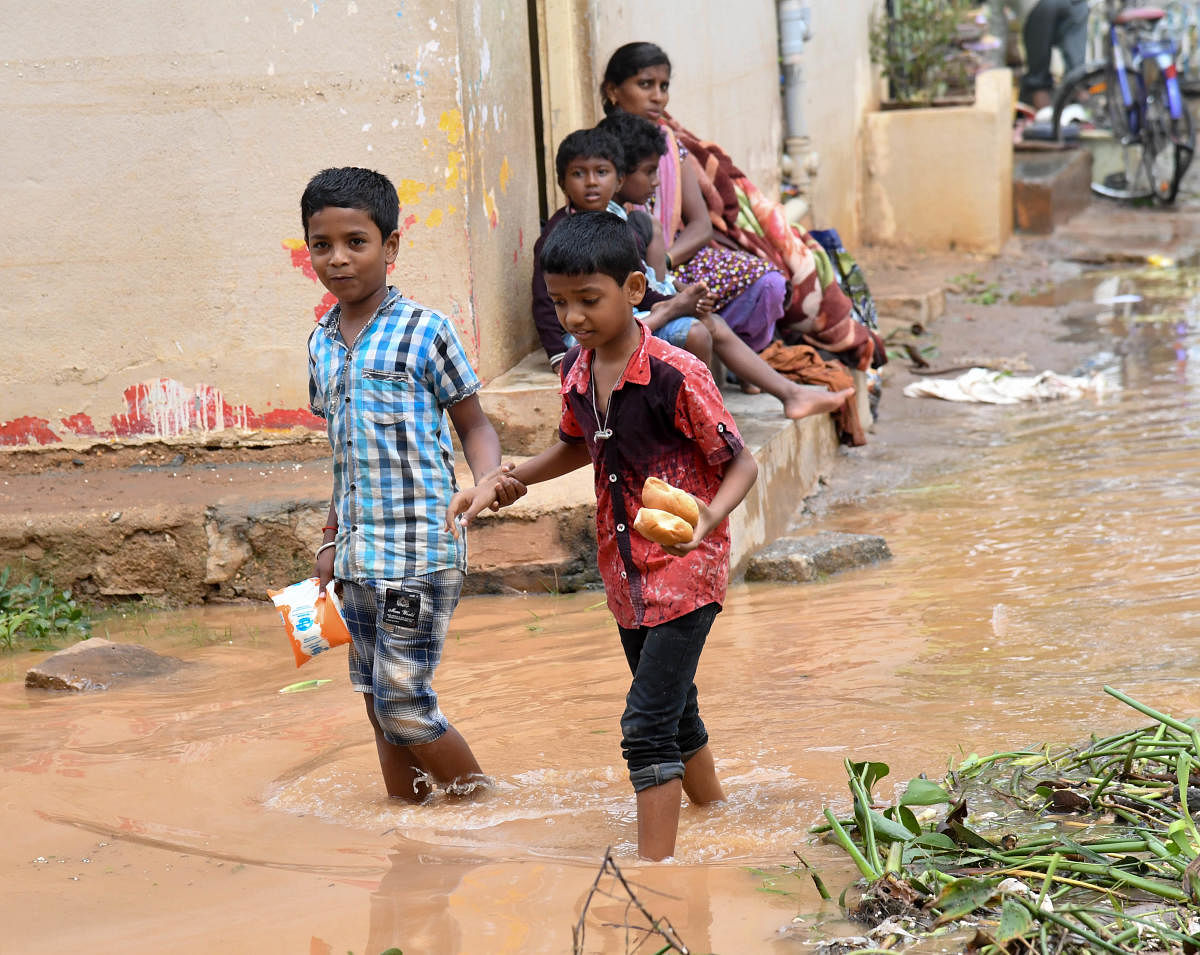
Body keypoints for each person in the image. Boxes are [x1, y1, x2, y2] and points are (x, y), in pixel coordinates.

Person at [452, 211, 759, 861]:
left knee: (644, 728)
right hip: (626, 575)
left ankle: (659, 876)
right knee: (677, 713)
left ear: (634, 289)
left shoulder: (676, 374)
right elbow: (575, 444)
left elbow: (741, 462)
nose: (572, 317)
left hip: (685, 571)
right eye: (560, 302)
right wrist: (507, 480)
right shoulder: (575, 370)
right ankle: (722, 821)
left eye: (588, 300)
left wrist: (706, 518)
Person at [303, 166, 524, 804]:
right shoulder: (320, 344)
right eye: (323, 245)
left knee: (405, 704)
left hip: (421, 552)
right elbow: (344, 455)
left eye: (356, 241)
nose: (339, 258)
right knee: (376, 700)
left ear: (390, 247)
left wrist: (489, 481)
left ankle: (487, 809)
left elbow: (475, 426)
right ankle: (408, 821)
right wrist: (329, 540)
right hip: (356, 557)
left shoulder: (428, 331)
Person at [536, 124, 852, 420]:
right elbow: (545, 298)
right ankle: (708, 417)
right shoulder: (559, 233)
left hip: (628, 321)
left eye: (601, 173)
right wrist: (555, 354)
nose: (591, 182)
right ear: (563, 183)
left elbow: (638, 286)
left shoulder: (622, 222)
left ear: (617, 180)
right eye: (579, 174)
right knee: (696, 329)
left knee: (706, 322)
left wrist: (678, 296)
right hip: (592, 335)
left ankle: (772, 399)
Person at [600, 42, 880, 373]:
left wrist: (668, 259)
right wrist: (654, 269)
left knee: (770, 282)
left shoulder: (672, 146)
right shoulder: (600, 151)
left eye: (664, 87)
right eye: (645, 85)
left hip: (675, 257)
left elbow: (701, 226)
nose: (658, 96)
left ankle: (745, 361)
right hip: (631, 270)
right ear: (613, 91)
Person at [989, 0, 1090, 109]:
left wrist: (994, 67)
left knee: (1038, 78)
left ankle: (1045, 119)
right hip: (1075, 4)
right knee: (1077, 73)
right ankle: (1083, 113)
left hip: (1038, 5)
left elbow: (997, 24)